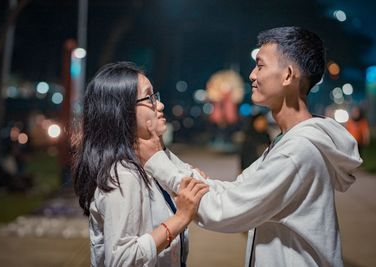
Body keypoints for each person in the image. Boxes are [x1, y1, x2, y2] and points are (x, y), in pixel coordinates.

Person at [137, 27, 363, 266]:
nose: (252, 75)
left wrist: (157, 162)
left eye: (261, 65)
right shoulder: (288, 140)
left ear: (287, 75)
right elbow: (236, 190)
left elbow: (225, 210)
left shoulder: (297, 151)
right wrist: (170, 161)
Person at [72, 62, 209, 267]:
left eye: (156, 96)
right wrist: (180, 219)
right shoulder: (122, 175)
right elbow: (120, 259)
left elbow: (196, 185)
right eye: (149, 98)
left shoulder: (150, 163)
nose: (160, 105)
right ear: (121, 111)